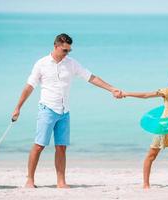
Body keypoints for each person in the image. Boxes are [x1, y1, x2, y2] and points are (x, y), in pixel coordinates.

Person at [11, 33, 122, 188]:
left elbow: (91, 77)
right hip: (47, 109)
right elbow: (29, 86)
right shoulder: (41, 64)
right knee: (39, 145)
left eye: (69, 51)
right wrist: (18, 107)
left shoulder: (71, 63)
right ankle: (30, 180)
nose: (67, 53)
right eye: (64, 50)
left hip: (64, 112)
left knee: (61, 147)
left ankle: (61, 182)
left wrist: (111, 89)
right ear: (56, 47)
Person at [121, 69, 168, 188]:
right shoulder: (167, 91)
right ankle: (145, 184)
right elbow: (146, 95)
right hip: (164, 128)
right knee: (152, 155)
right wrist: (126, 93)